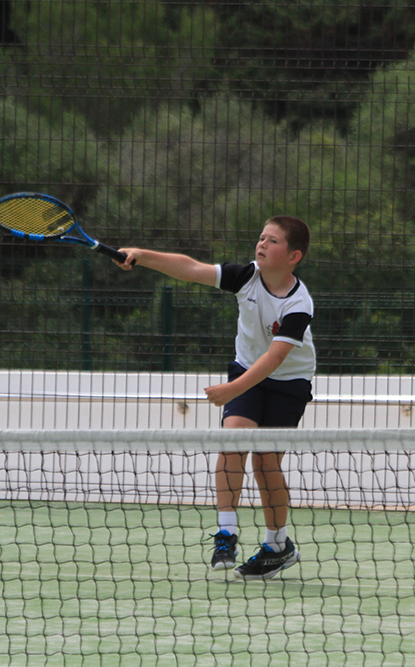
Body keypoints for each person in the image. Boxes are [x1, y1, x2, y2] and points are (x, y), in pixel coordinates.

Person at [115, 216, 315, 580]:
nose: (262, 244)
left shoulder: (299, 303)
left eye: (273, 241)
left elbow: (274, 358)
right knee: (232, 441)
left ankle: (277, 546)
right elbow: (191, 268)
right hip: (247, 371)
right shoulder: (246, 276)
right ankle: (226, 533)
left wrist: (231, 389)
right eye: (261, 237)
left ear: (293, 256)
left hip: (289, 382)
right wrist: (142, 255)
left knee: (266, 462)